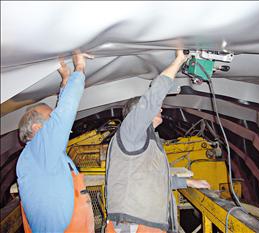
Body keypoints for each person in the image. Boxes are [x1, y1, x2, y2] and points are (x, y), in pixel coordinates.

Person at [105, 50, 210, 233]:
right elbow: (152, 99)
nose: (160, 108)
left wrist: (188, 183)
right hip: (135, 223)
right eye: (154, 108)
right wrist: (178, 61)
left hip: (145, 223)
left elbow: (153, 179)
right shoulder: (130, 133)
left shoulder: (149, 139)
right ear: (137, 114)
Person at [17, 52, 95, 232]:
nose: (55, 122)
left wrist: (66, 79)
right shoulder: (37, 151)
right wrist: (79, 69)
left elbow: (60, 115)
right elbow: (64, 114)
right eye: (50, 118)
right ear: (36, 128)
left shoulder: (41, 154)